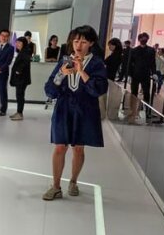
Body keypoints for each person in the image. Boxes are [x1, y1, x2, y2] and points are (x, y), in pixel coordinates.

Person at [43, 25, 108, 201]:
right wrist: (61, 74)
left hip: (85, 110)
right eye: (76, 41)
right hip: (63, 109)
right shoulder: (64, 61)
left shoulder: (96, 63)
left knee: (78, 148)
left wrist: (81, 71)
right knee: (59, 146)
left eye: (83, 41)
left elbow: (99, 89)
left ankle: (73, 181)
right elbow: (49, 90)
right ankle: (56, 186)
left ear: (91, 43)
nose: (78, 45)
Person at [127, 32, 156, 122]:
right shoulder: (134, 50)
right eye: (142, 38)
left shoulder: (151, 50)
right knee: (134, 92)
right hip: (135, 74)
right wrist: (129, 74)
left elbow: (153, 63)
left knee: (146, 93)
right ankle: (132, 110)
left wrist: (154, 73)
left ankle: (147, 110)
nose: (144, 40)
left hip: (146, 74)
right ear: (139, 39)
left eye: (145, 38)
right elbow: (130, 63)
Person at [9, 36, 32, 121]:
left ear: (24, 44)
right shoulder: (22, 51)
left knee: (20, 96)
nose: (17, 44)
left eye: (19, 43)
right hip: (20, 78)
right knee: (19, 95)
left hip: (22, 78)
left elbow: (25, 62)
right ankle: (18, 112)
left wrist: (19, 70)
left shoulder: (26, 51)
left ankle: (20, 113)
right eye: (17, 42)